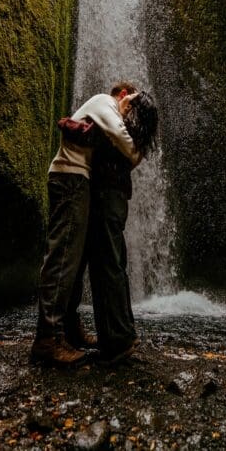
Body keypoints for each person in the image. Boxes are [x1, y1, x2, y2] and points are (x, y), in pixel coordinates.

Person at [31, 88, 141, 367]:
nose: (128, 115)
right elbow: (124, 141)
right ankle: (48, 339)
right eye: (128, 107)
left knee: (75, 260)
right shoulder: (105, 102)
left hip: (77, 180)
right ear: (123, 94)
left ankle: (68, 329)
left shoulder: (99, 112)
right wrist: (137, 151)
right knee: (63, 257)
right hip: (70, 179)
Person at [63, 84, 159, 366]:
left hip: (106, 200)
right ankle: (118, 335)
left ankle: (117, 342)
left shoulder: (120, 133)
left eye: (129, 99)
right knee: (113, 264)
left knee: (108, 266)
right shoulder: (135, 140)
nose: (123, 100)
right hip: (115, 202)